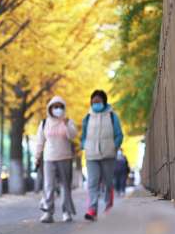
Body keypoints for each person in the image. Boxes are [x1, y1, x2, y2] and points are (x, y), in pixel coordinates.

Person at [81, 89, 123, 221]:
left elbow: (119, 134)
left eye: (98, 102)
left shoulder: (112, 116)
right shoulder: (87, 117)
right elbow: (83, 136)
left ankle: (108, 205)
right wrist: (85, 146)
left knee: (108, 182)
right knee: (92, 183)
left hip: (108, 155)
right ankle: (92, 209)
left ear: (104, 102)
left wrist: (114, 146)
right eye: (93, 102)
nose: (96, 104)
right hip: (92, 156)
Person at [34, 95, 77, 223]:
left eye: (60, 107)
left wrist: (66, 124)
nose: (57, 109)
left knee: (65, 186)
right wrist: (37, 157)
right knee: (49, 186)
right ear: (50, 108)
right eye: (55, 107)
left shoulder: (68, 122)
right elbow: (40, 142)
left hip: (65, 157)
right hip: (49, 158)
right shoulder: (44, 123)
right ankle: (48, 212)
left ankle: (67, 212)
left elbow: (73, 136)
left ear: (63, 108)